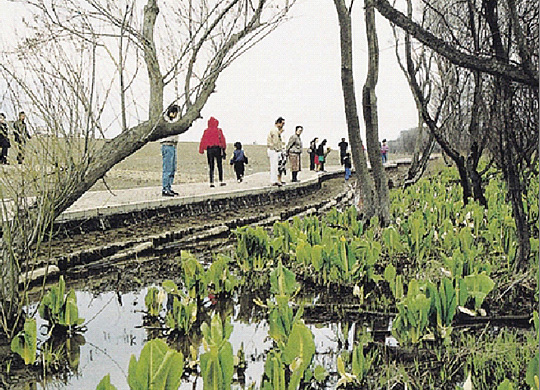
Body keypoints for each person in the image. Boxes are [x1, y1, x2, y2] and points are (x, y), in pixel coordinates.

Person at [199, 116, 227, 187]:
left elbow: (203, 140)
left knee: (211, 166)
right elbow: (223, 140)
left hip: (210, 149)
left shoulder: (206, 131)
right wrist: (224, 148)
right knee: (219, 165)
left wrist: (201, 149)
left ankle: (212, 182)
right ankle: (221, 181)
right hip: (217, 149)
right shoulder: (219, 131)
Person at [161, 106, 180, 197]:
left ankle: (169, 186)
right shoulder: (167, 122)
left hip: (173, 146)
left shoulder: (172, 121)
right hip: (167, 145)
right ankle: (165, 188)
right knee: (167, 168)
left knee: (172, 168)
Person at [267, 117, 285, 186]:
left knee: (275, 166)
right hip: (273, 150)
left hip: (273, 149)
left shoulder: (275, 130)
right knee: (274, 166)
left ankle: (274, 180)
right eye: (282, 123)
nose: (282, 125)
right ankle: (273, 180)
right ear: (278, 123)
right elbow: (276, 142)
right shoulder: (275, 130)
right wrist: (279, 150)